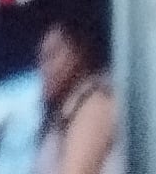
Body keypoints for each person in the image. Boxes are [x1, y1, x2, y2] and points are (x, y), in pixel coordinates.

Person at [34, 13, 120, 174]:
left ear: (79, 52)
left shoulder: (95, 102)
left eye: (52, 55)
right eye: (41, 60)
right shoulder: (60, 119)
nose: (44, 69)